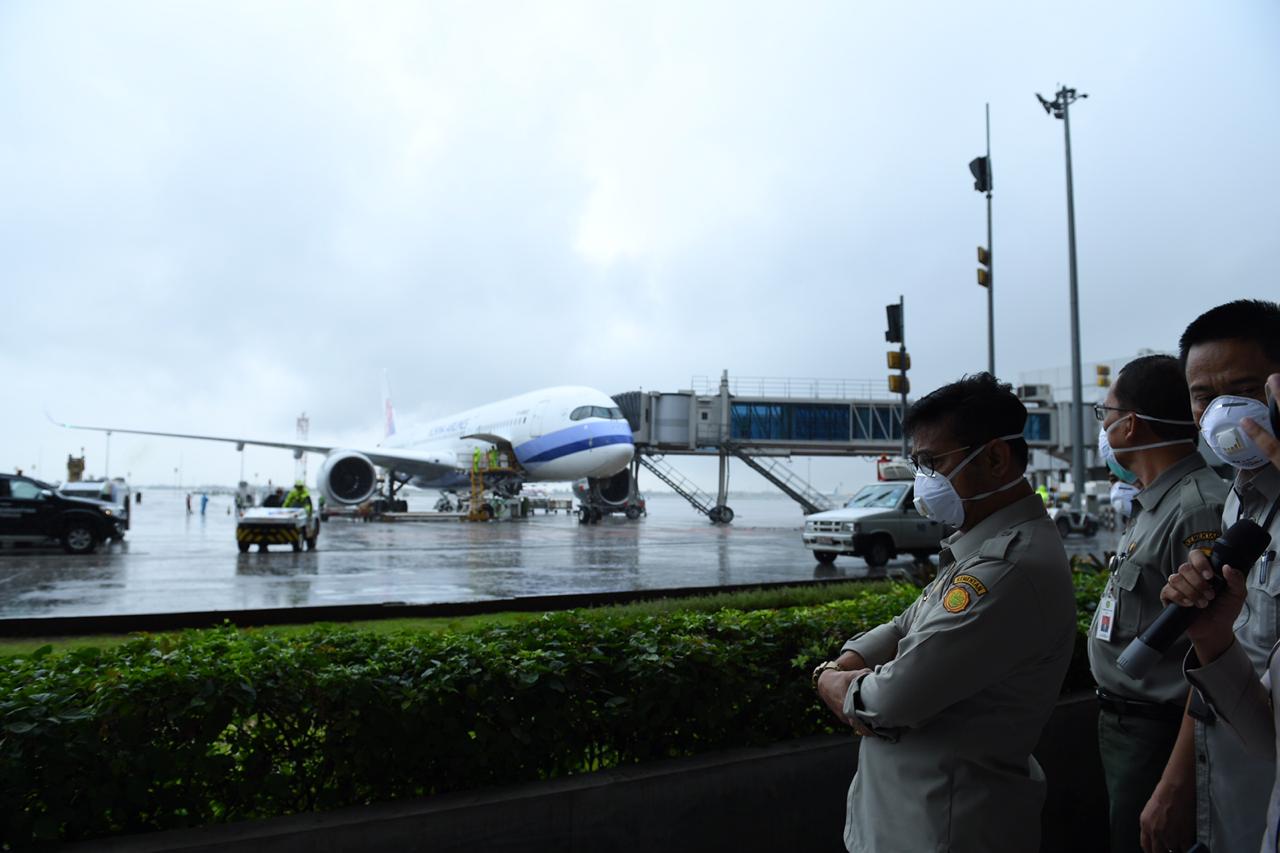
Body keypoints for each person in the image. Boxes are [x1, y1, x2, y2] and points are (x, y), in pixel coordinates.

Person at [812, 373, 1076, 853]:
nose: (923, 480)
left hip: (946, 828)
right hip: (913, 820)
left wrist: (832, 683)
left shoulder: (1007, 568)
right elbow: (907, 624)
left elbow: (892, 700)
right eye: (919, 464)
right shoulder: (980, 547)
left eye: (933, 462)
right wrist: (851, 659)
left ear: (995, 458)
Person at [1141, 300, 1280, 853]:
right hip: (1247, 782)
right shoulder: (1238, 501)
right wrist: (1214, 640)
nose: (1222, 412)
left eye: (1244, 389)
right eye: (1204, 397)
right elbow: (1266, 729)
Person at [1085, 356, 1228, 853]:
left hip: (1160, 734)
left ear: (1131, 424)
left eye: (1105, 414)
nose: (1102, 427)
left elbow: (1214, 654)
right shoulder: (1154, 501)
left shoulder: (1196, 508)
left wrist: (1175, 783)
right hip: (1128, 726)